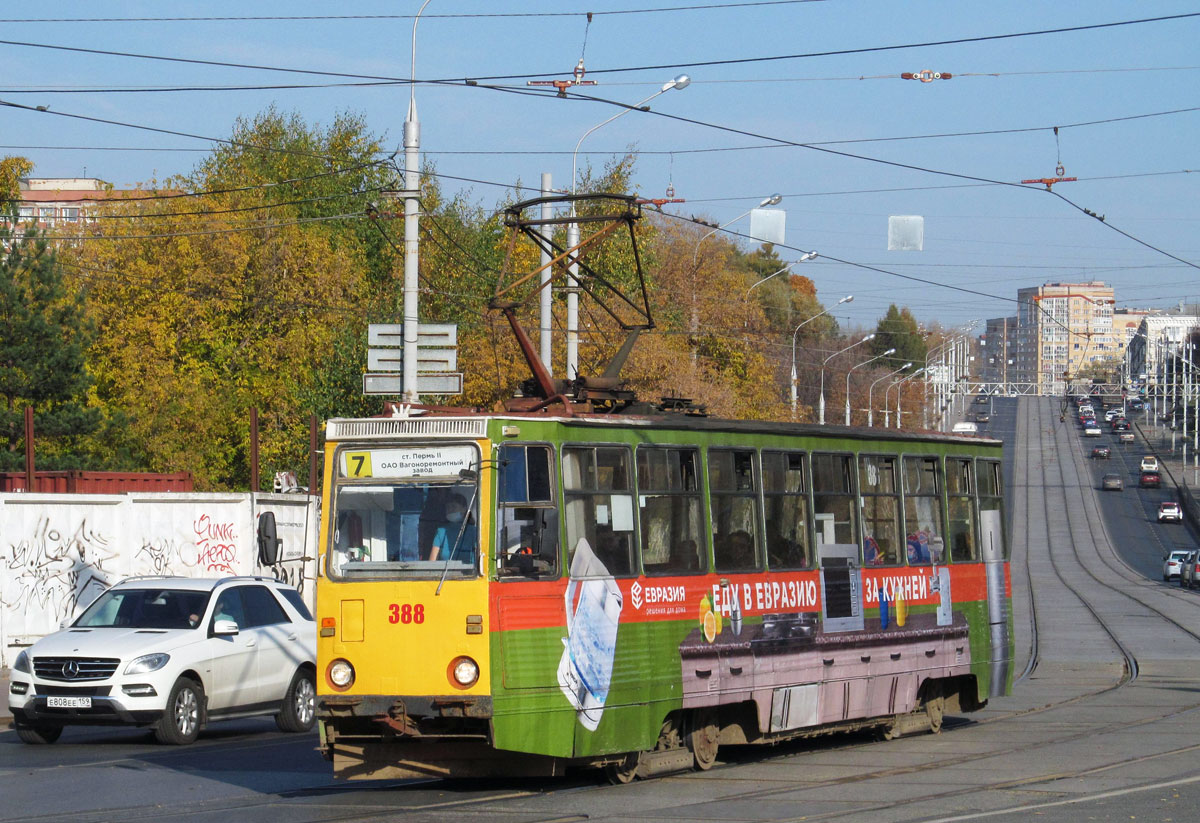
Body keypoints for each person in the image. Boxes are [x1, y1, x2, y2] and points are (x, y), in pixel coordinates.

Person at [427, 494, 477, 562]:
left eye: (453, 507)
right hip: (445, 572)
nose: (450, 510)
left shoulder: (474, 532)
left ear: (464, 509)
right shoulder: (441, 531)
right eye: (448, 507)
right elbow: (432, 562)